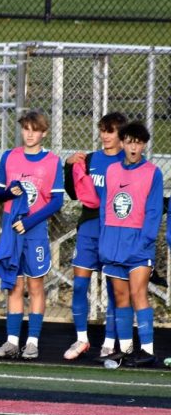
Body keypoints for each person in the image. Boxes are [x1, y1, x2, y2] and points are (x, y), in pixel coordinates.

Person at [0, 110, 64, 360]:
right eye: (26, 129)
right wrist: (10, 192)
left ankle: (32, 341)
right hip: (12, 230)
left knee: (35, 286)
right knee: (14, 285)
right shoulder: (9, 157)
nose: (30, 134)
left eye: (35, 130)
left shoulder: (52, 161)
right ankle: (11, 341)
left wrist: (30, 221)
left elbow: (56, 201)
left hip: (35, 231)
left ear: (43, 133)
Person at [63, 112, 128, 360]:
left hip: (114, 231)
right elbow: (72, 193)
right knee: (79, 285)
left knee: (113, 288)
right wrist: (69, 166)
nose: (104, 136)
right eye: (102, 130)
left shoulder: (127, 162)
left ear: (121, 135)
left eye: (110, 131)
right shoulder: (89, 159)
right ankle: (81, 339)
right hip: (89, 229)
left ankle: (110, 342)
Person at [98, 121, 164, 366]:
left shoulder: (153, 173)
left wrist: (143, 243)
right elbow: (106, 208)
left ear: (144, 145)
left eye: (138, 143)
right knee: (120, 296)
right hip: (113, 244)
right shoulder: (112, 171)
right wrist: (105, 240)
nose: (133, 147)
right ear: (122, 143)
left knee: (138, 293)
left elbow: (154, 212)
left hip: (138, 246)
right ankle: (125, 349)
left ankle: (147, 349)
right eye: (129, 142)